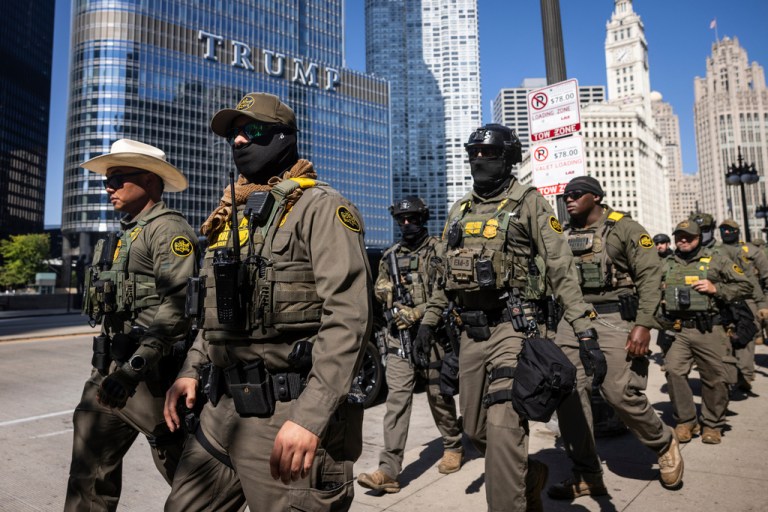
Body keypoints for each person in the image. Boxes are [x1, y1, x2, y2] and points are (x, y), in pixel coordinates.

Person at [163, 92, 372, 511]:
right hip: (221, 410)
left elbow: (349, 319)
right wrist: (191, 369)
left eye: (252, 131)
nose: (239, 142)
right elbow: (215, 313)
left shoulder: (321, 209)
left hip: (287, 411)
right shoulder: (230, 219)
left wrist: (309, 419)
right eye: (235, 135)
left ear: (283, 138)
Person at [417, 124, 604, 512]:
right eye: (474, 154)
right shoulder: (460, 209)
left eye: (489, 155)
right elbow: (445, 274)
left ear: (508, 159)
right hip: (471, 332)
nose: (479, 161)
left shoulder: (529, 203)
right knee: (475, 430)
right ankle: (528, 474)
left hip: (514, 327)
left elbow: (561, 268)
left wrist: (585, 333)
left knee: (503, 429)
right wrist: (429, 321)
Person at [65, 139, 199, 511]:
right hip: (107, 375)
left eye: (119, 178)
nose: (109, 187)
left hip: (151, 378)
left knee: (189, 480)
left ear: (152, 182)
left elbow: (176, 307)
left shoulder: (169, 231)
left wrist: (133, 369)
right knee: (87, 478)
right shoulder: (125, 235)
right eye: (107, 180)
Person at [547, 176, 683, 499]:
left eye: (576, 194)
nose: (569, 200)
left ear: (595, 197)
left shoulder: (624, 228)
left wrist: (643, 324)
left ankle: (663, 442)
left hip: (614, 318)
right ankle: (586, 472)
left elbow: (651, 275)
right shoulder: (563, 235)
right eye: (566, 195)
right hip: (572, 320)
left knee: (620, 393)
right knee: (566, 392)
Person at [357, 196, 463, 494]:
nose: (407, 224)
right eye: (402, 220)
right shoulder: (390, 255)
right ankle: (388, 470)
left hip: (432, 337)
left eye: (412, 218)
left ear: (423, 218)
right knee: (397, 403)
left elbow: (450, 291)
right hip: (399, 338)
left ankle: (453, 443)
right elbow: (380, 289)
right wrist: (383, 290)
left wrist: (420, 313)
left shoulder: (438, 251)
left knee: (438, 397)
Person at [658, 220, 753, 445]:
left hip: (710, 328)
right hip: (679, 329)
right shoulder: (666, 263)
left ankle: (712, 423)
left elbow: (745, 286)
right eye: (679, 236)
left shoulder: (717, 259)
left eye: (688, 237)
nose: (682, 240)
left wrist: (716, 289)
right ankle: (686, 420)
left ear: (699, 238)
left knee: (715, 378)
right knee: (673, 371)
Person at [718, 219, 768, 391]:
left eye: (730, 230)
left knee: (747, 334)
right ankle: (733, 373)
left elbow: (760, 277)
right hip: (724, 298)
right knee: (727, 336)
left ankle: (745, 374)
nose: (726, 233)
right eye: (723, 229)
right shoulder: (716, 251)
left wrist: (762, 303)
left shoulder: (752, 251)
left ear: (737, 231)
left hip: (748, 298)